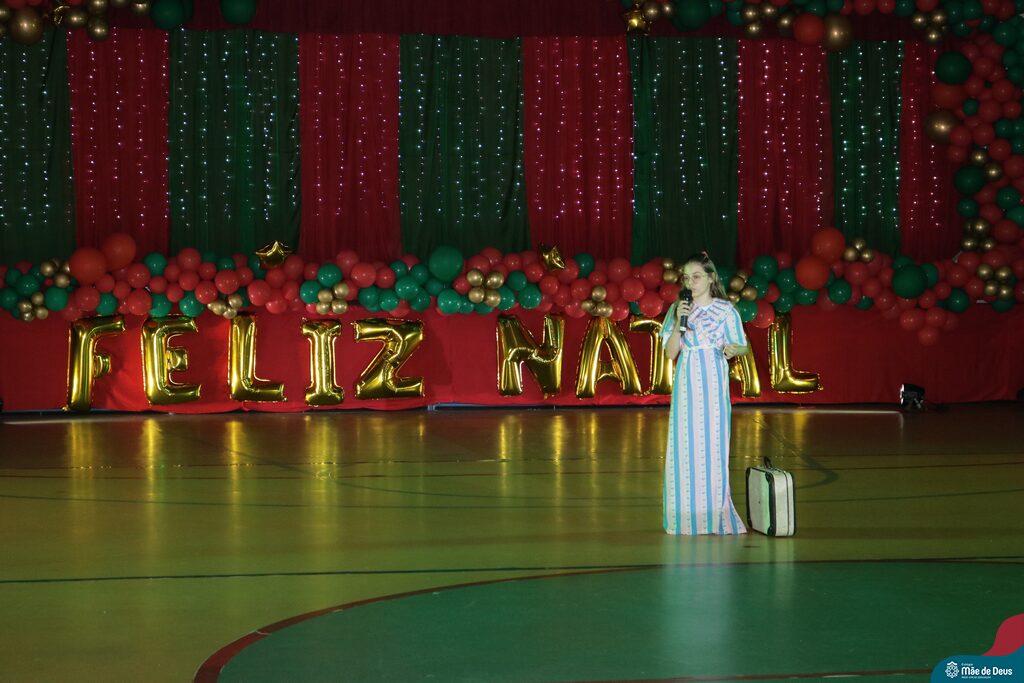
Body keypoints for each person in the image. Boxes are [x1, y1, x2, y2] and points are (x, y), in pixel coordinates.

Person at [658, 253, 748, 535]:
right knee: (685, 444)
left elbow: (742, 344)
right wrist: (679, 322)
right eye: (686, 277)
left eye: (696, 276)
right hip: (687, 380)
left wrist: (734, 349)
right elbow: (670, 352)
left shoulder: (726, 310)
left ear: (711, 278)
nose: (690, 282)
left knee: (713, 445)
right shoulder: (678, 309)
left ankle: (714, 512)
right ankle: (684, 513)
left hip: (714, 380)